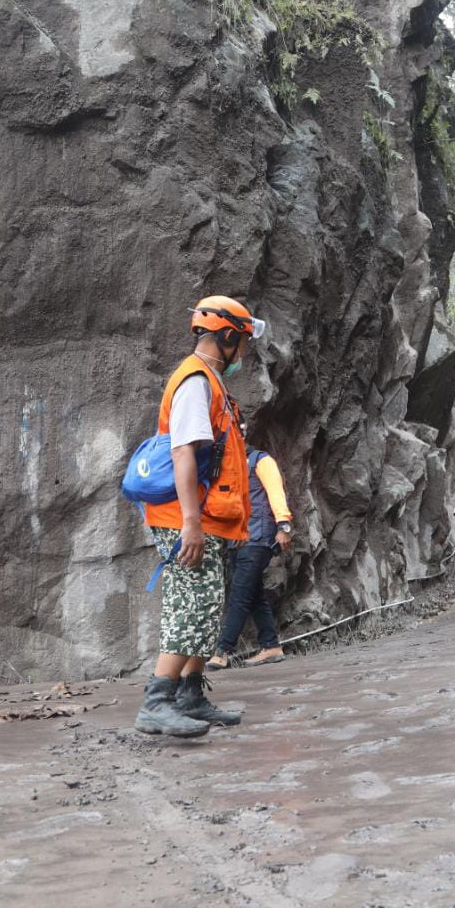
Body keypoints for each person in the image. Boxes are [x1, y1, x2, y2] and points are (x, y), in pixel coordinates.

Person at [134, 296, 263, 737]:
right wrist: (191, 521)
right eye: (242, 341)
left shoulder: (212, 382)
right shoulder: (194, 381)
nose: (244, 352)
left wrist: (232, 523)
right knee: (189, 608)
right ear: (227, 337)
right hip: (184, 518)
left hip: (207, 518)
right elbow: (183, 451)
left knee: (206, 608)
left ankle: (189, 695)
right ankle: (157, 701)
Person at [207, 433, 293, 669]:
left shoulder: (260, 460)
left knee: (240, 595)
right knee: (254, 595)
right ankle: (271, 646)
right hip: (236, 541)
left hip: (258, 538)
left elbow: (276, 492)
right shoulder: (225, 466)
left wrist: (283, 525)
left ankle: (223, 651)